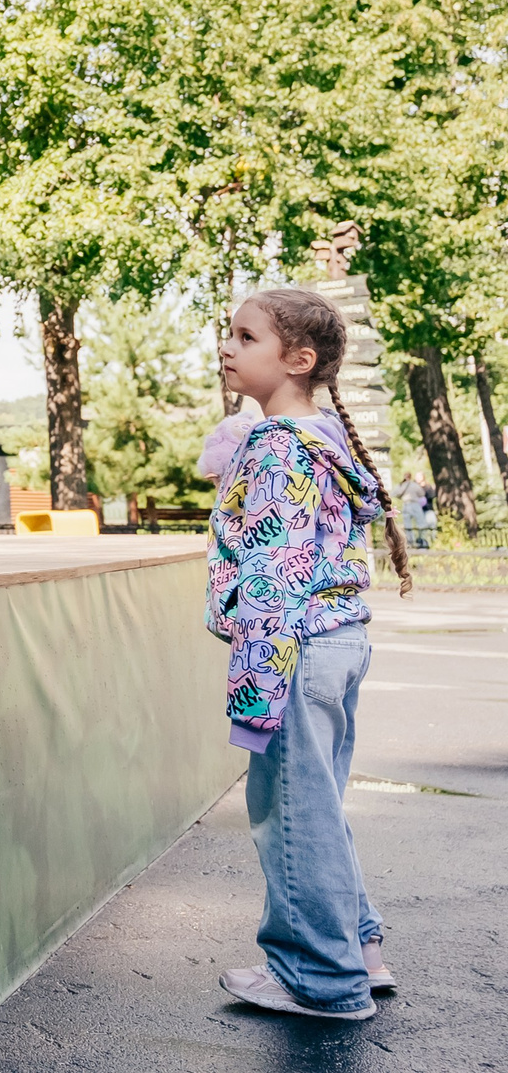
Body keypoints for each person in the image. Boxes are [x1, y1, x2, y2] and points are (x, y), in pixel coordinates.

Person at [203, 286, 413, 1021]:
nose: (227, 347)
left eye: (245, 336)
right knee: (317, 805)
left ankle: (320, 980)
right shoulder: (323, 435)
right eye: (229, 333)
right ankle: (359, 949)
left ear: (298, 359)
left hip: (292, 648)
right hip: (338, 641)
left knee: (289, 811)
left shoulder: (276, 444)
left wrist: (255, 684)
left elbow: (272, 572)